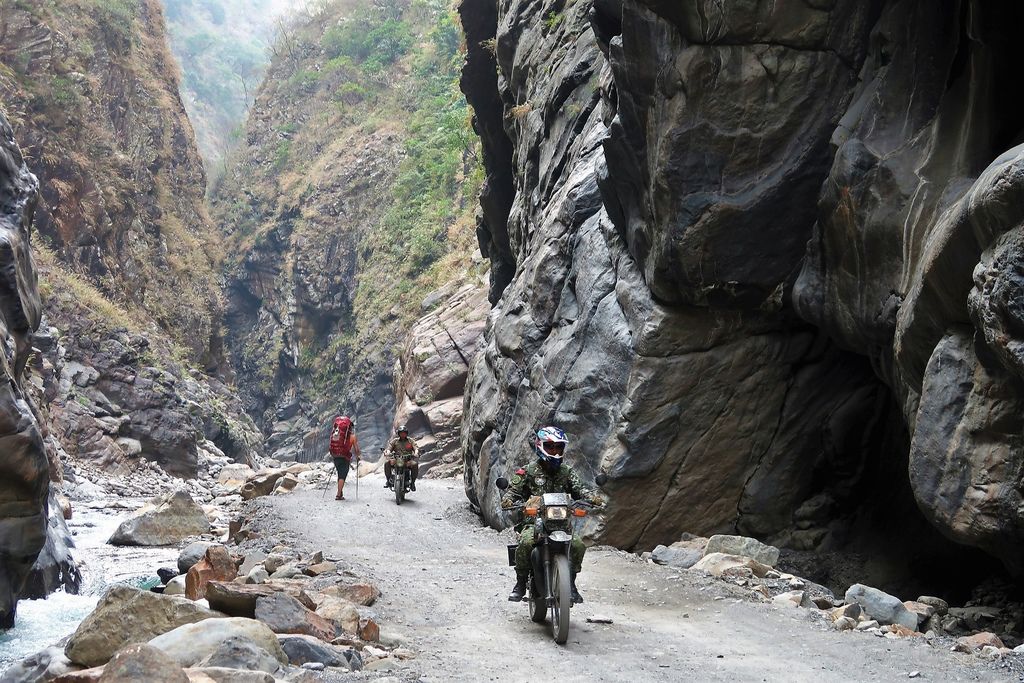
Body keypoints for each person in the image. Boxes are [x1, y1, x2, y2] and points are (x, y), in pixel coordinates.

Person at [501, 426, 602, 604]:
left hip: (562, 523)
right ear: (540, 446)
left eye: (558, 447)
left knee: (578, 545)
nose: (554, 451)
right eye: (550, 446)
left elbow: (580, 489)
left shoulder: (567, 472)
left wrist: (592, 497)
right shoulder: (528, 471)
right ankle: (520, 582)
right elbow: (512, 492)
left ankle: (570, 583)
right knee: (525, 543)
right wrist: (509, 500)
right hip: (534, 522)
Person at [329, 415, 360, 500]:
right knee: (343, 475)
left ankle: (340, 491)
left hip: (335, 456)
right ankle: (338, 495)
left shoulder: (336, 434)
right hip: (344, 457)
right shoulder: (352, 437)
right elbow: (356, 450)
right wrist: (358, 456)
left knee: (340, 474)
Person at [384, 424, 419, 491]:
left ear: (406, 433)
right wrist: (387, 452)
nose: (403, 434)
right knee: (387, 463)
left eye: (404, 433)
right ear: (399, 434)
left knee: (415, 464)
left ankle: (413, 483)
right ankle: (388, 480)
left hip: (407, 461)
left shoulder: (410, 441)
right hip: (397, 460)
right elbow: (389, 448)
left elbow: (416, 448)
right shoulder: (395, 441)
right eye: (401, 433)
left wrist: (416, 453)